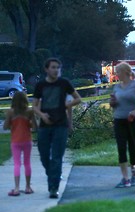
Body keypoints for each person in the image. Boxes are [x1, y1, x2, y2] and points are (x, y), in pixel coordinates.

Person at [32, 58, 81, 198]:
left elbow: (78, 99)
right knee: (44, 156)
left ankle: (53, 188)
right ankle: (53, 174)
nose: (56, 70)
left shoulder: (64, 83)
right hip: (44, 125)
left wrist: (67, 105)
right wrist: (42, 115)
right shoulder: (40, 85)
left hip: (60, 124)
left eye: (58, 68)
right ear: (46, 69)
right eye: (53, 67)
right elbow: (34, 106)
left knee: (57, 157)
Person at [110, 62, 135, 188]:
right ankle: (124, 178)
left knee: (132, 148)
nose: (116, 74)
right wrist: (113, 102)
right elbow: (114, 105)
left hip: (133, 120)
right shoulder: (116, 87)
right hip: (119, 120)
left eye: (118, 72)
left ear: (125, 72)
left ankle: (134, 176)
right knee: (121, 148)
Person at [3, 92, 37, 196]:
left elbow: (5, 127)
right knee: (27, 163)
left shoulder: (10, 112)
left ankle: (17, 188)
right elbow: (35, 128)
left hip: (15, 141)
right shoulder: (29, 112)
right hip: (27, 140)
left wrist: (13, 124)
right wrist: (29, 123)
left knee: (17, 164)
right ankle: (28, 187)